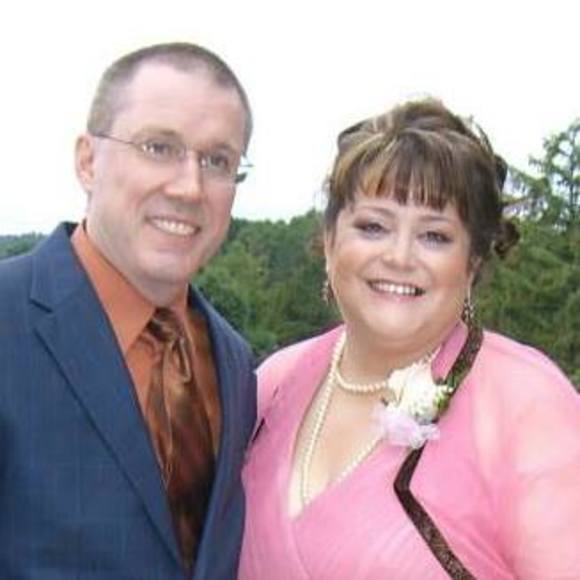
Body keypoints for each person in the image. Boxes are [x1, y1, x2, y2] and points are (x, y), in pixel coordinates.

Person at [239, 99, 580, 579]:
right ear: (330, 240)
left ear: (472, 261)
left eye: (434, 236)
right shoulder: (273, 385)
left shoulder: (526, 405)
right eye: (373, 227)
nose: (399, 257)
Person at [0, 42, 256, 579]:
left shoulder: (234, 362)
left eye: (217, 161)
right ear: (87, 161)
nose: (189, 187)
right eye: (159, 147)